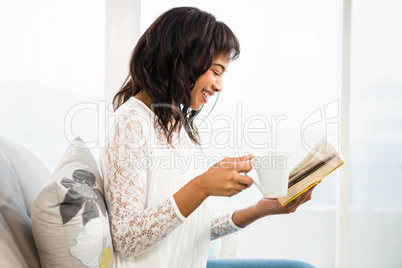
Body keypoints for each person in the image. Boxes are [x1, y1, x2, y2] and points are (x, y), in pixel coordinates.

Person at [102, 6, 316, 268]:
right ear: (181, 58)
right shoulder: (131, 123)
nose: (219, 86)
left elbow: (191, 228)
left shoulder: (178, 126)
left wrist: (261, 209)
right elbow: (126, 239)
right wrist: (202, 186)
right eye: (216, 71)